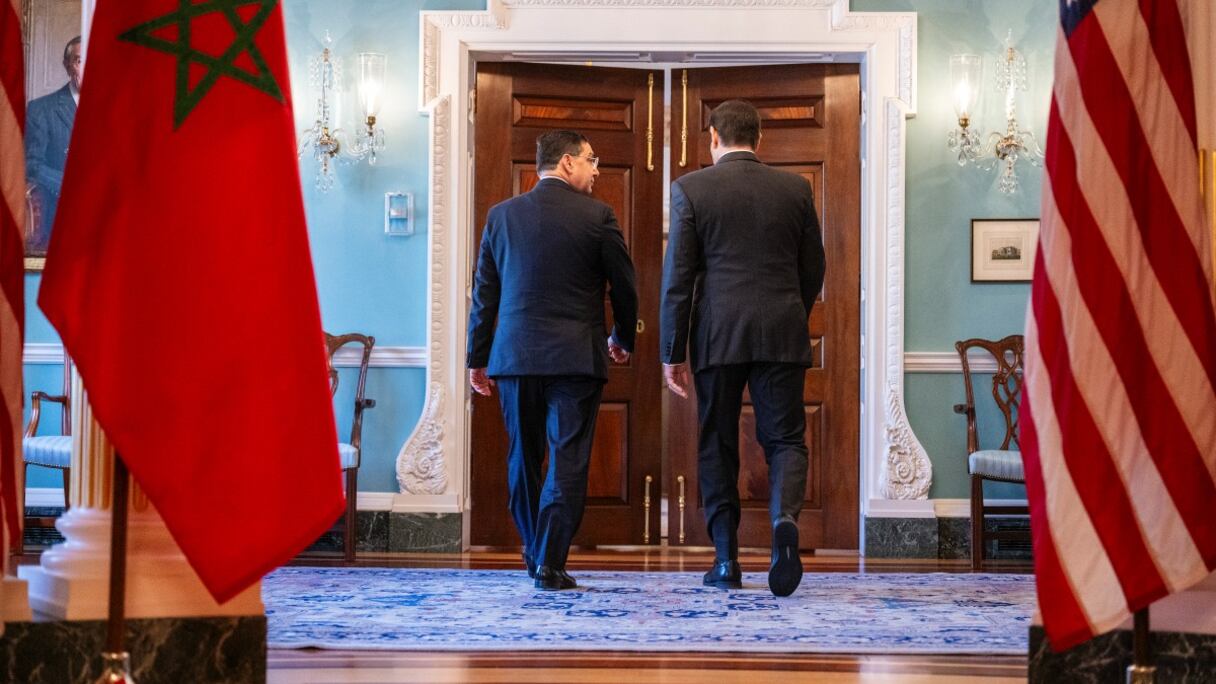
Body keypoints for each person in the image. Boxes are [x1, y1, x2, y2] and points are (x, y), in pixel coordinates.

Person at [660, 99, 826, 598]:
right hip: (781, 329)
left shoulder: (691, 189)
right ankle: (784, 521)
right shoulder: (796, 189)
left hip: (717, 333)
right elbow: (813, 268)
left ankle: (727, 559)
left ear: (713, 137)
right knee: (785, 439)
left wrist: (673, 350)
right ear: (760, 140)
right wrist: (788, 309)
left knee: (718, 441)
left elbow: (678, 279)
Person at [467, 130, 638, 591]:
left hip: (515, 358)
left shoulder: (501, 217)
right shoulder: (600, 216)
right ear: (566, 163)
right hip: (576, 360)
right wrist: (621, 336)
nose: (597, 169)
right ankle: (549, 559)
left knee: (523, 457)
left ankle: (534, 549)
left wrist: (476, 359)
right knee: (568, 460)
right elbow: (625, 286)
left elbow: (485, 295)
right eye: (591, 159)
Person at [25, 35, 82, 256]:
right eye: (79, 61)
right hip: (61, 212)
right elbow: (31, 164)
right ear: (67, 66)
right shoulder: (42, 109)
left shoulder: (114, 110)